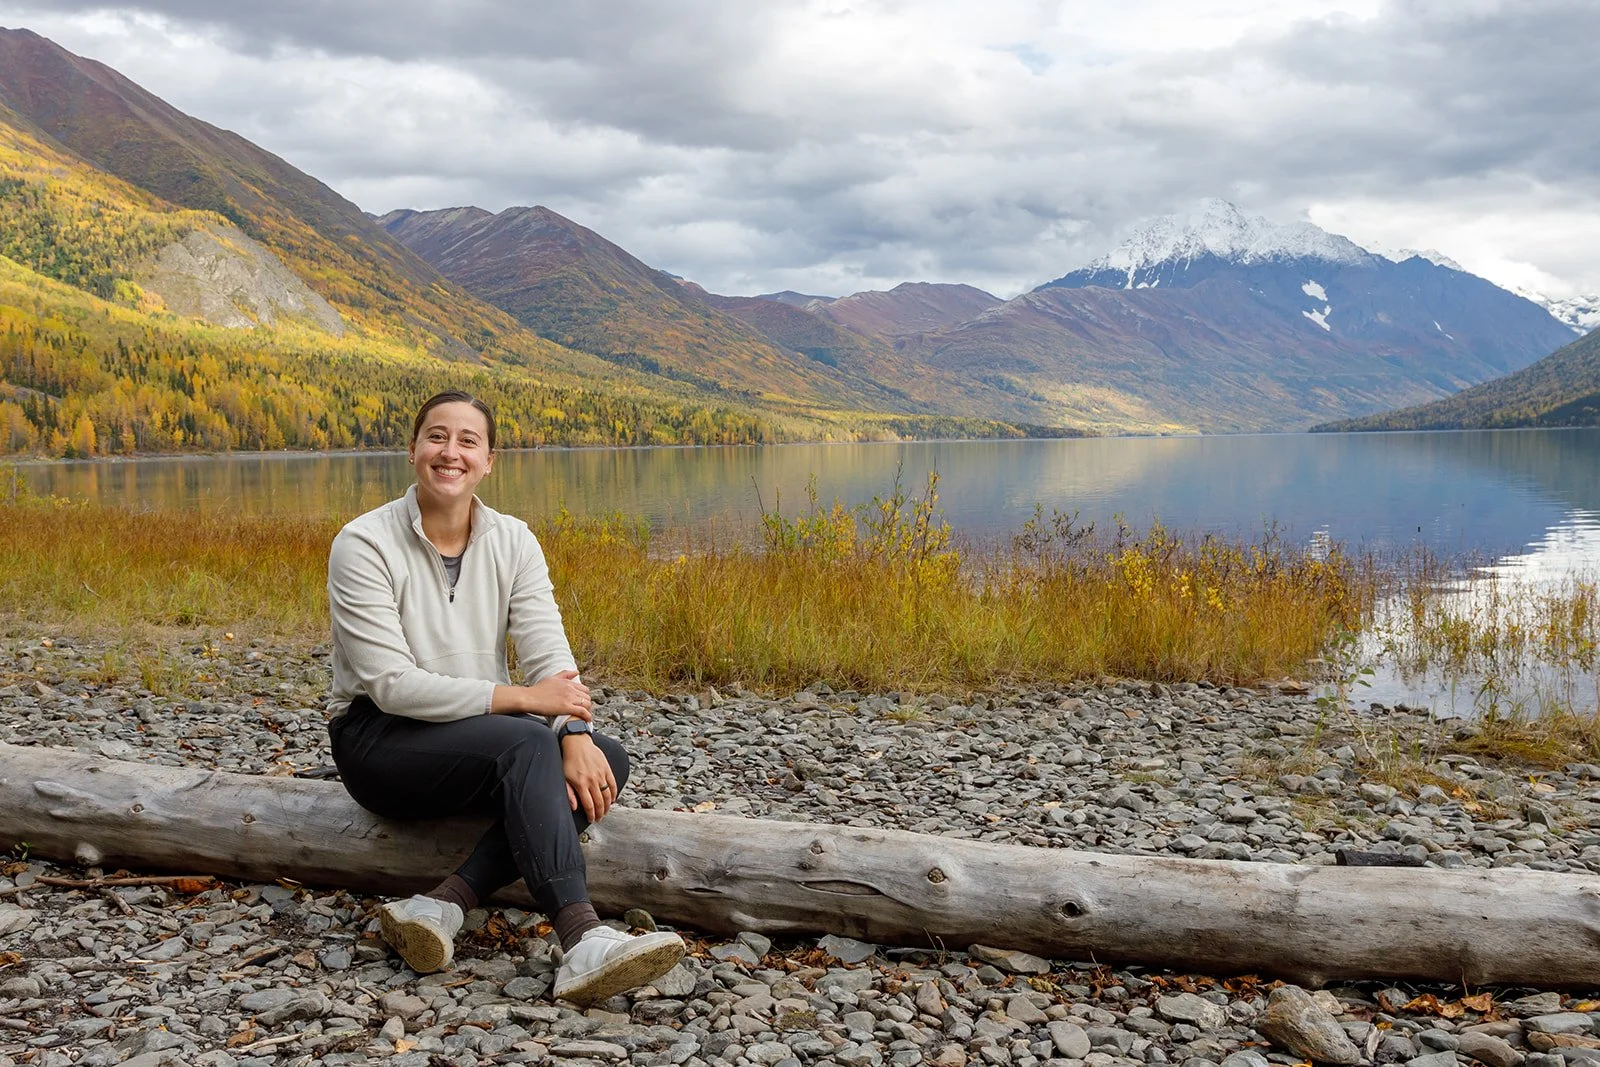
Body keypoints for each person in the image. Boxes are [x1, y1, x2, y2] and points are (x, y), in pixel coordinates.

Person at [324, 390, 684, 1005]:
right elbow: (390, 684)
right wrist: (524, 701)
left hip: (474, 739)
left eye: (468, 441)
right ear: (413, 450)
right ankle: (582, 938)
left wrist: (573, 732)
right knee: (526, 742)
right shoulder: (364, 543)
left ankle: (442, 904)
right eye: (437, 436)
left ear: (489, 461)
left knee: (605, 759)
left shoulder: (514, 540)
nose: (451, 452)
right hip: (378, 739)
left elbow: (549, 655)